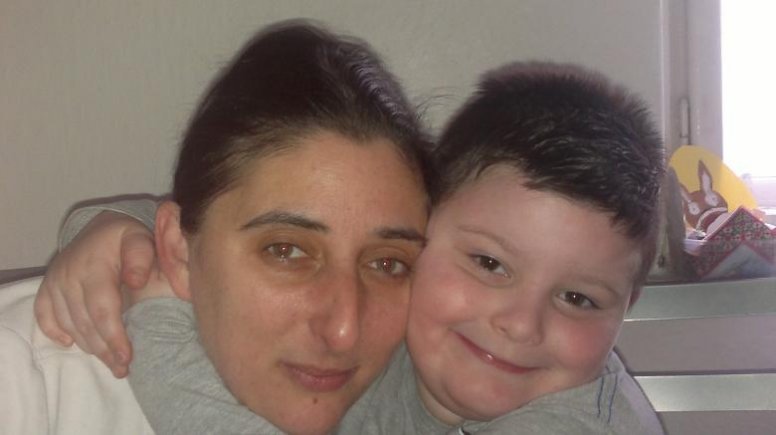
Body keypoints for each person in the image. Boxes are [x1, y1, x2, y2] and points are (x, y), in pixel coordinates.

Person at [35, 61, 666, 434]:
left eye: (579, 298)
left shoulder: (576, 422)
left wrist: (155, 316)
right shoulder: (395, 333)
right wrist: (117, 231)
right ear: (421, 225)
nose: (521, 325)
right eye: (489, 264)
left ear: (624, 311)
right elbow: (228, 219)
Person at [1, 20, 435, 434]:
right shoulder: (24, 385)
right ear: (177, 251)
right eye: (285, 251)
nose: (343, 331)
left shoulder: (430, 387)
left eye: (387, 264)